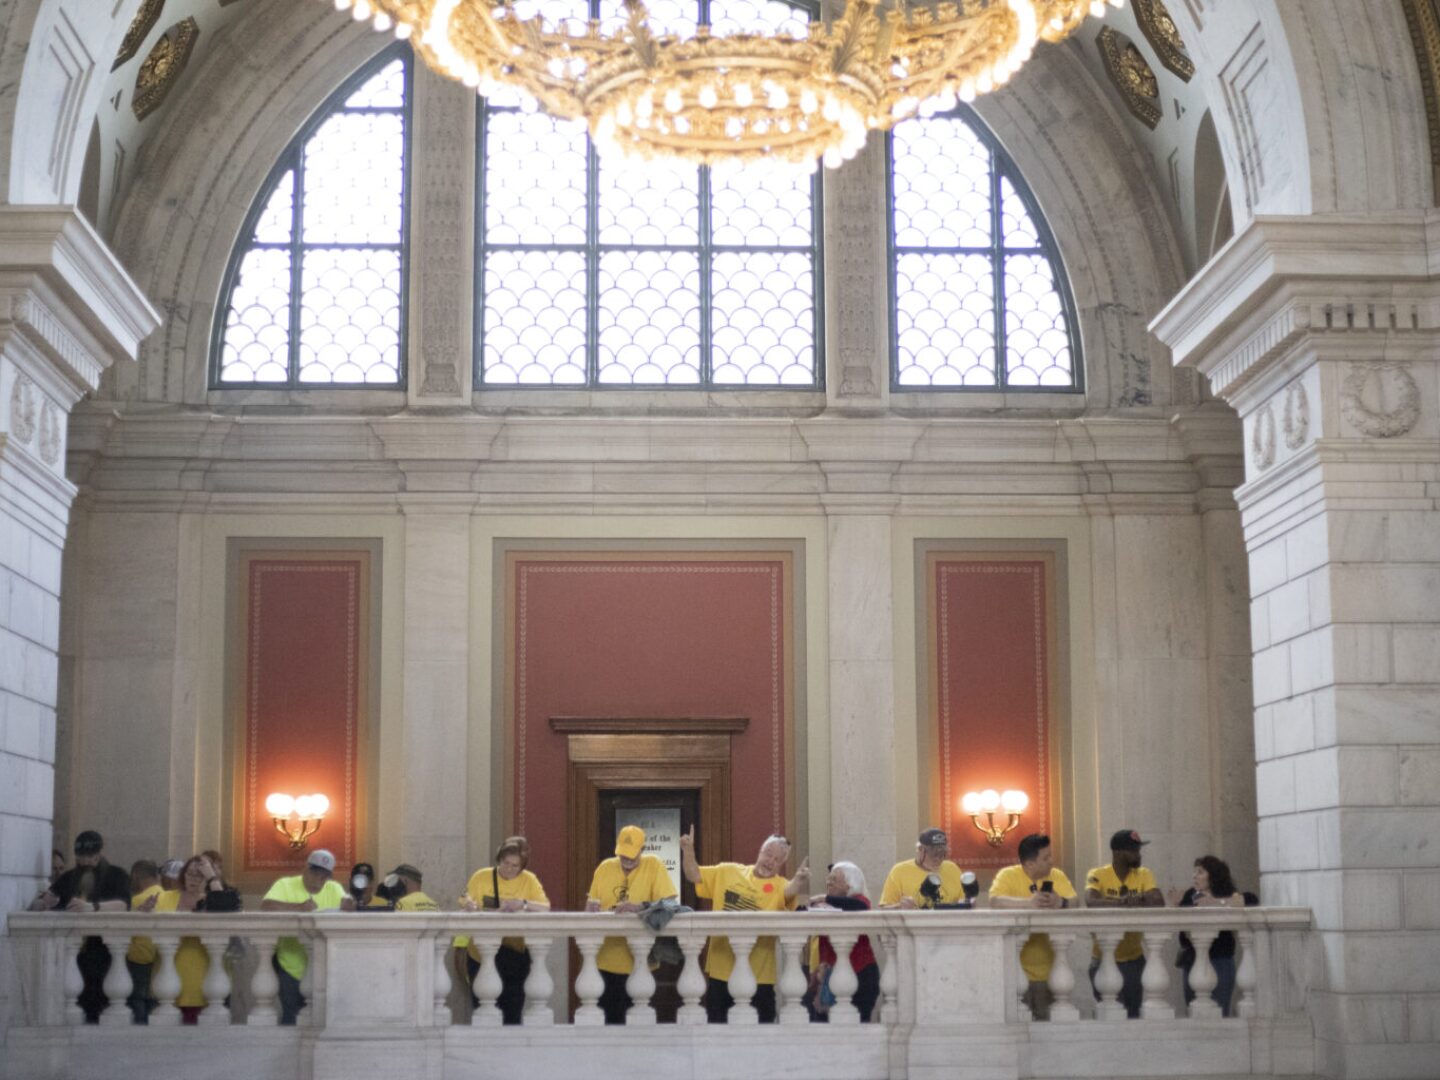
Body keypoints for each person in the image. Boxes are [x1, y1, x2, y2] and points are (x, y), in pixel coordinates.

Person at [679, 826, 809, 1023]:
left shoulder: (780, 885)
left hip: (760, 977)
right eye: (768, 855)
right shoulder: (728, 871)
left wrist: (799, 881)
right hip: (721, 972)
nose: (770, 862)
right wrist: (688, 851)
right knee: (718, 1033)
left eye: (777, 860)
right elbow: (694, 875)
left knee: (760, 1039)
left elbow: (789, 891)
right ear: (760, 851)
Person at [29, 830, 131, 1022]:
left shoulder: (116, 875)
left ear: (99, 855)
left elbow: (124, 904)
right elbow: (46, 899)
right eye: (80, 859)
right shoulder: (69, 877)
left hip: (102, 952)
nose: (85, 863)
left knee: (98, 1003)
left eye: (90, 858)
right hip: (70, 953)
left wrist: (93, 908)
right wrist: (42, 904)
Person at [584, 825, 678, 1023]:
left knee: (638, 1024)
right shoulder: (605, 867)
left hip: (640, 959)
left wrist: (638, 908)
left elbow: (670, 904)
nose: (626, 860)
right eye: (622, 855)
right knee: (608, 1022)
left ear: (642, 850)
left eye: (631, 855)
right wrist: (591, 908)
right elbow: (591, 904)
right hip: (605, 959)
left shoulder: (653, 865)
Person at [459, 838, 550, 1024]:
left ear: (522, 866)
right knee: (482, 1010)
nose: (509, 869)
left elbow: (545, 907)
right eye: (505, 863)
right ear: (498, 860)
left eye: (515, 866)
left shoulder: (529, 880)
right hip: (481, 954)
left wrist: (523, 904)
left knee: (512, 1011)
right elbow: (465, 897)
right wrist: (469, 904)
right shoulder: (481, 876)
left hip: (514, 954)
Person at [988, 833, 1077, 1020]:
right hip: (1016, 971)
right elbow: (995, 901)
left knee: (1049, 1030)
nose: (1051, 861)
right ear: (1029, 864)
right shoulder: (1008, 875)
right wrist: (1029, 903)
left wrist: (1060, 902)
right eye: (1046, 858)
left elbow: (1075, 901)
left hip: (1051, 972)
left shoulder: (1057, 875)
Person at [260, 848, 354, 1024]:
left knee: (324, 1021)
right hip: (291, 966)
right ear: (306, 869)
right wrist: (298, 907)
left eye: (324, 875)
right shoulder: (286, 884)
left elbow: (345, 913)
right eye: (315, 872)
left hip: (325, 968)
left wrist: (350, 908)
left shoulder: (334, 888)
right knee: (291, 1019)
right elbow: (266, 906)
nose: (319, 878)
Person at [1085, 829, 1163, 1018]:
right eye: (1133, 850)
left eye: (1138, 850)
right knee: (1108, 1015)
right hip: (1103, 958)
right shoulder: (1098, 874)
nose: (1138, 854)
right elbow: (1091, 901)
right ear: (1118, 853)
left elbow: (1158, 900)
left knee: (1133, 1014)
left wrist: (1136, 898)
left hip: (1133, 960)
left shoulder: (1144, 874)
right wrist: (1122, 902)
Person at [1167, 855, 1257, 1016]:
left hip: (1219, 959)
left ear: (1213, 875)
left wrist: (1217, 903)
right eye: (1194, 872)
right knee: (1194, 1011)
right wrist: (1178, 905)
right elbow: (1184, 930)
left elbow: (1251, 900)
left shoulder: (1227, 893)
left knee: (1219, 1009)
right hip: (1193, 960)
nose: (1195, 876)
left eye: (1200, 872)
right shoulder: (1191, 895)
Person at [156, 854, 234, 1023]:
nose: (193, 879)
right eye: (190, 874)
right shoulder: (166, 897)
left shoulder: (212, 898)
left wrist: (212, 877)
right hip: (171, 970)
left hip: (205, 972)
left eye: (200, 875)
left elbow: (227, 910)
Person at [805, 861, 878, 1023]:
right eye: (828, 879)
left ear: (849, 885)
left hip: (861, 973)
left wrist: (825, 897)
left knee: (858, 1025)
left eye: (834, 879)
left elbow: (860, 907)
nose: (828, 883)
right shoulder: (826, 905)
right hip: (830, 974)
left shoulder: (859, 900)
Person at [879, 828, 967, 909]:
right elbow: (883, 909)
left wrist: (967, 904)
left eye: (942, 854)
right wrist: (899, 907)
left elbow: (965, 901)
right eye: (933, 854)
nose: (938, 858)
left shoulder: (953, 869)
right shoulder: (899, 871)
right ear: (920, 850)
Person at [125, 860, 164, 1022]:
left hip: (139, 957)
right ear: (156, 876)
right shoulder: (168, 896)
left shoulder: (136, 900)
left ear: (136, 878)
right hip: (162, 957)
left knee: (137, 999)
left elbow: (128, 932)